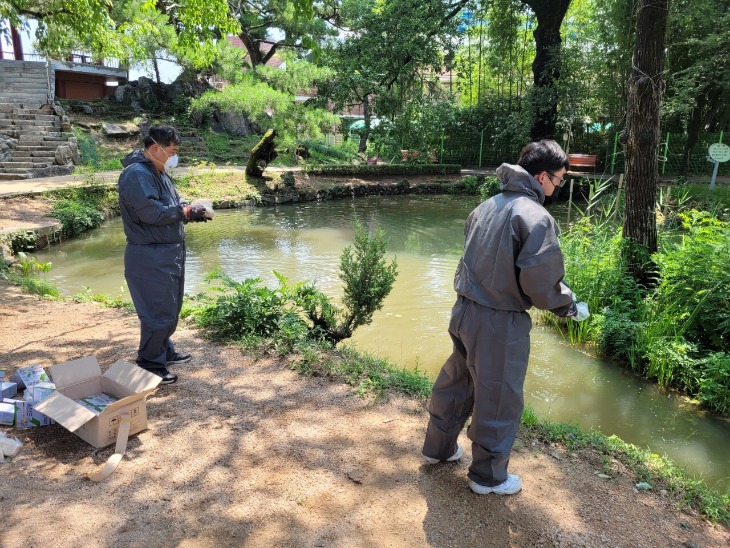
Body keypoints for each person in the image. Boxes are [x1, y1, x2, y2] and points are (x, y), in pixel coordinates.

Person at [421, 139, 590, 495]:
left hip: (464, 310)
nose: (557, 187)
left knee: (458, 381)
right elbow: (540, 282)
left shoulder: (486, 206)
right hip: (500, 321)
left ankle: (439, 449)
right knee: (498, 396)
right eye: (558, 180)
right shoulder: (535, 217)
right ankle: (488, 478)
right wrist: (568, 306)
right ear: (542, 176)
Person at [117, 125, 210, 385]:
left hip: (169, 252)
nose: (174, 156)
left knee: (170, 306)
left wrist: (189, 210)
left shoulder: (159, 172)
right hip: (149, 255)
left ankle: (163, 349)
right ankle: (149, 362)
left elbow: (172, 205)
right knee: (158, 311)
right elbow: (151, 213)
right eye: (172, 151)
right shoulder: (135, 174)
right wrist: (183, 213)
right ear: (156, 148)